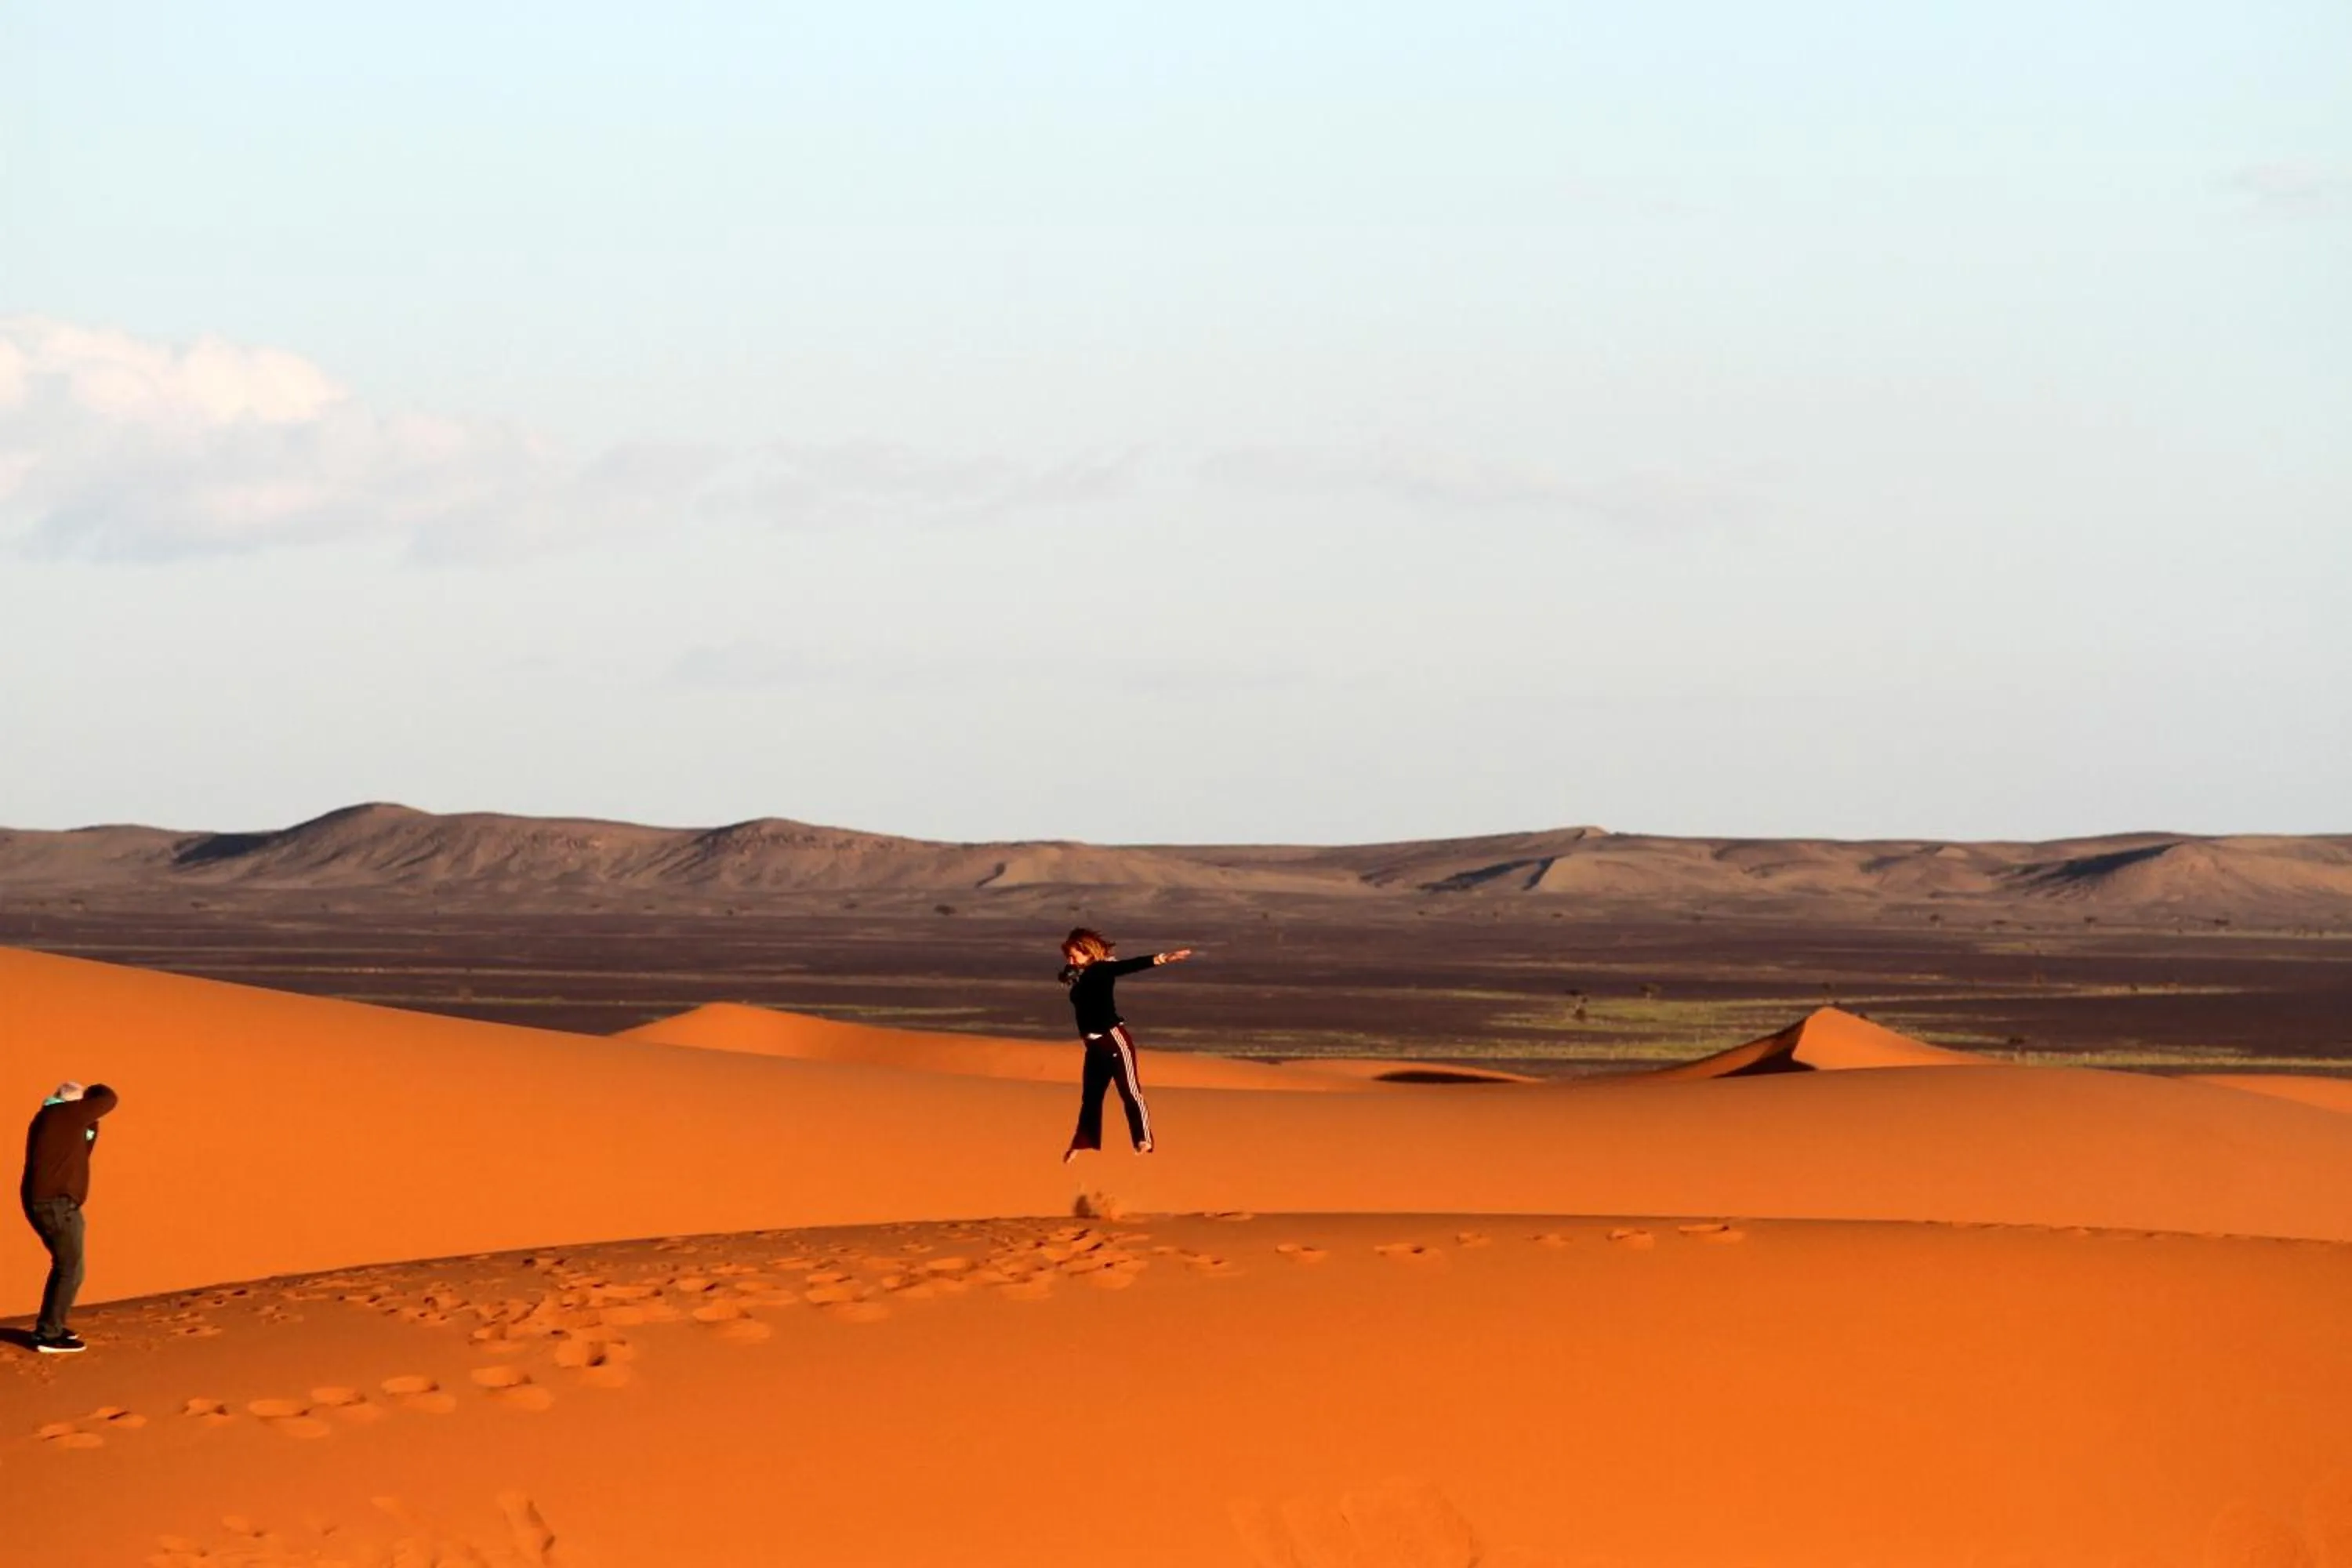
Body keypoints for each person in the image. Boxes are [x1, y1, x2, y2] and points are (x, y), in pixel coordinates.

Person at [1058, 927, 1191, 1162]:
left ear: (1088, 953)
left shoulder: (1102, 969)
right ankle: (1082, 1142)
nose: (1070, 960)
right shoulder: (1084, 974)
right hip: (1094, 1048)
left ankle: (1143, 1139)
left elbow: (1127, 966)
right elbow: (1083, 989)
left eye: (1073, 956)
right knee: (1091, 1096)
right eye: (1067, 956)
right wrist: (1073, 977)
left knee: (1129, 1091)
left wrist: (1162, 959)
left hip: (1113, 1041)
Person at [20, 1080, 119, 1354]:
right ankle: (48, 1334)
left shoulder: (56, 1119)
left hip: (55, 1204)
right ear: (77, 1104)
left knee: (70, 1267)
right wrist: (95, 1092)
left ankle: (53, 1325)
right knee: (70, 1268)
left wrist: (90, 1124)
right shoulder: (64, 1114)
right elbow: (110, 1098)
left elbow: (83, 1150)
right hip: (55, 1205)